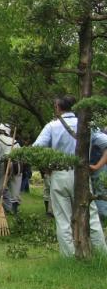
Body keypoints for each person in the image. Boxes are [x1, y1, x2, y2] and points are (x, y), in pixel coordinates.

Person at [32, 95, 107, 256]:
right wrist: (97, 166)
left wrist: (46, 167)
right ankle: (102, 254)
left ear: (58, 107)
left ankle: (69, 257)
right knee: (92, 217)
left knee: (63, 219)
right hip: (81, 174)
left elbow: (35, 149)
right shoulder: (86, 125)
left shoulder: (52, 126)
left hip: (59, 174)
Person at [0, 123, 21, 214]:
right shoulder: (15, 141)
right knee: (15, 187)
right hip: (17, 165)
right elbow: (21, 155)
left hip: (2, 164)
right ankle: (14, 209)